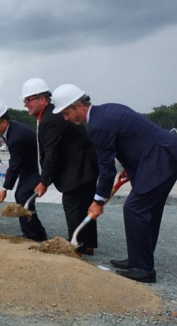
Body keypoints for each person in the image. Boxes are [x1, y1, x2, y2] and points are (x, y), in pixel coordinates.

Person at [53, 84, 177, 283]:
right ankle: (138, 259)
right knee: (148, 210)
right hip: (159, 155)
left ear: (79, 106)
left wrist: (98, 201)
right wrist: (130, 165)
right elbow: (133, 138)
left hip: (160, 158)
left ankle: (143, 269)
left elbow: (106, 168)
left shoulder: (98, 125)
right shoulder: (106, 111)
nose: (66, 118)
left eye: (66, 113)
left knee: (135, 209)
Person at [21, 78, 98, 255]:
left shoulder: (49, 119)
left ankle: (76, 247)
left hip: (78, 168)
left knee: (73, 204)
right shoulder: (49, 115)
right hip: (84, 164)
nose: (26, 105)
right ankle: (87, 244)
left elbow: (51, 154)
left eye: (28, 100)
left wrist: (44, 182)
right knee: (84, 204)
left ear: (42, 99)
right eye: (25, 101)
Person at [0, 100, 47, 241]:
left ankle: (34, 235)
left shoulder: (16, 135)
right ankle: (36, 234)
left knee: (23, 197)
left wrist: (5, 188)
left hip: (38, 168)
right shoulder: (11, 130)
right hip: (29, 166)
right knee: (22, 196)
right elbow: (16, 160)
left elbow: (15, 163)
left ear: (3, 122)